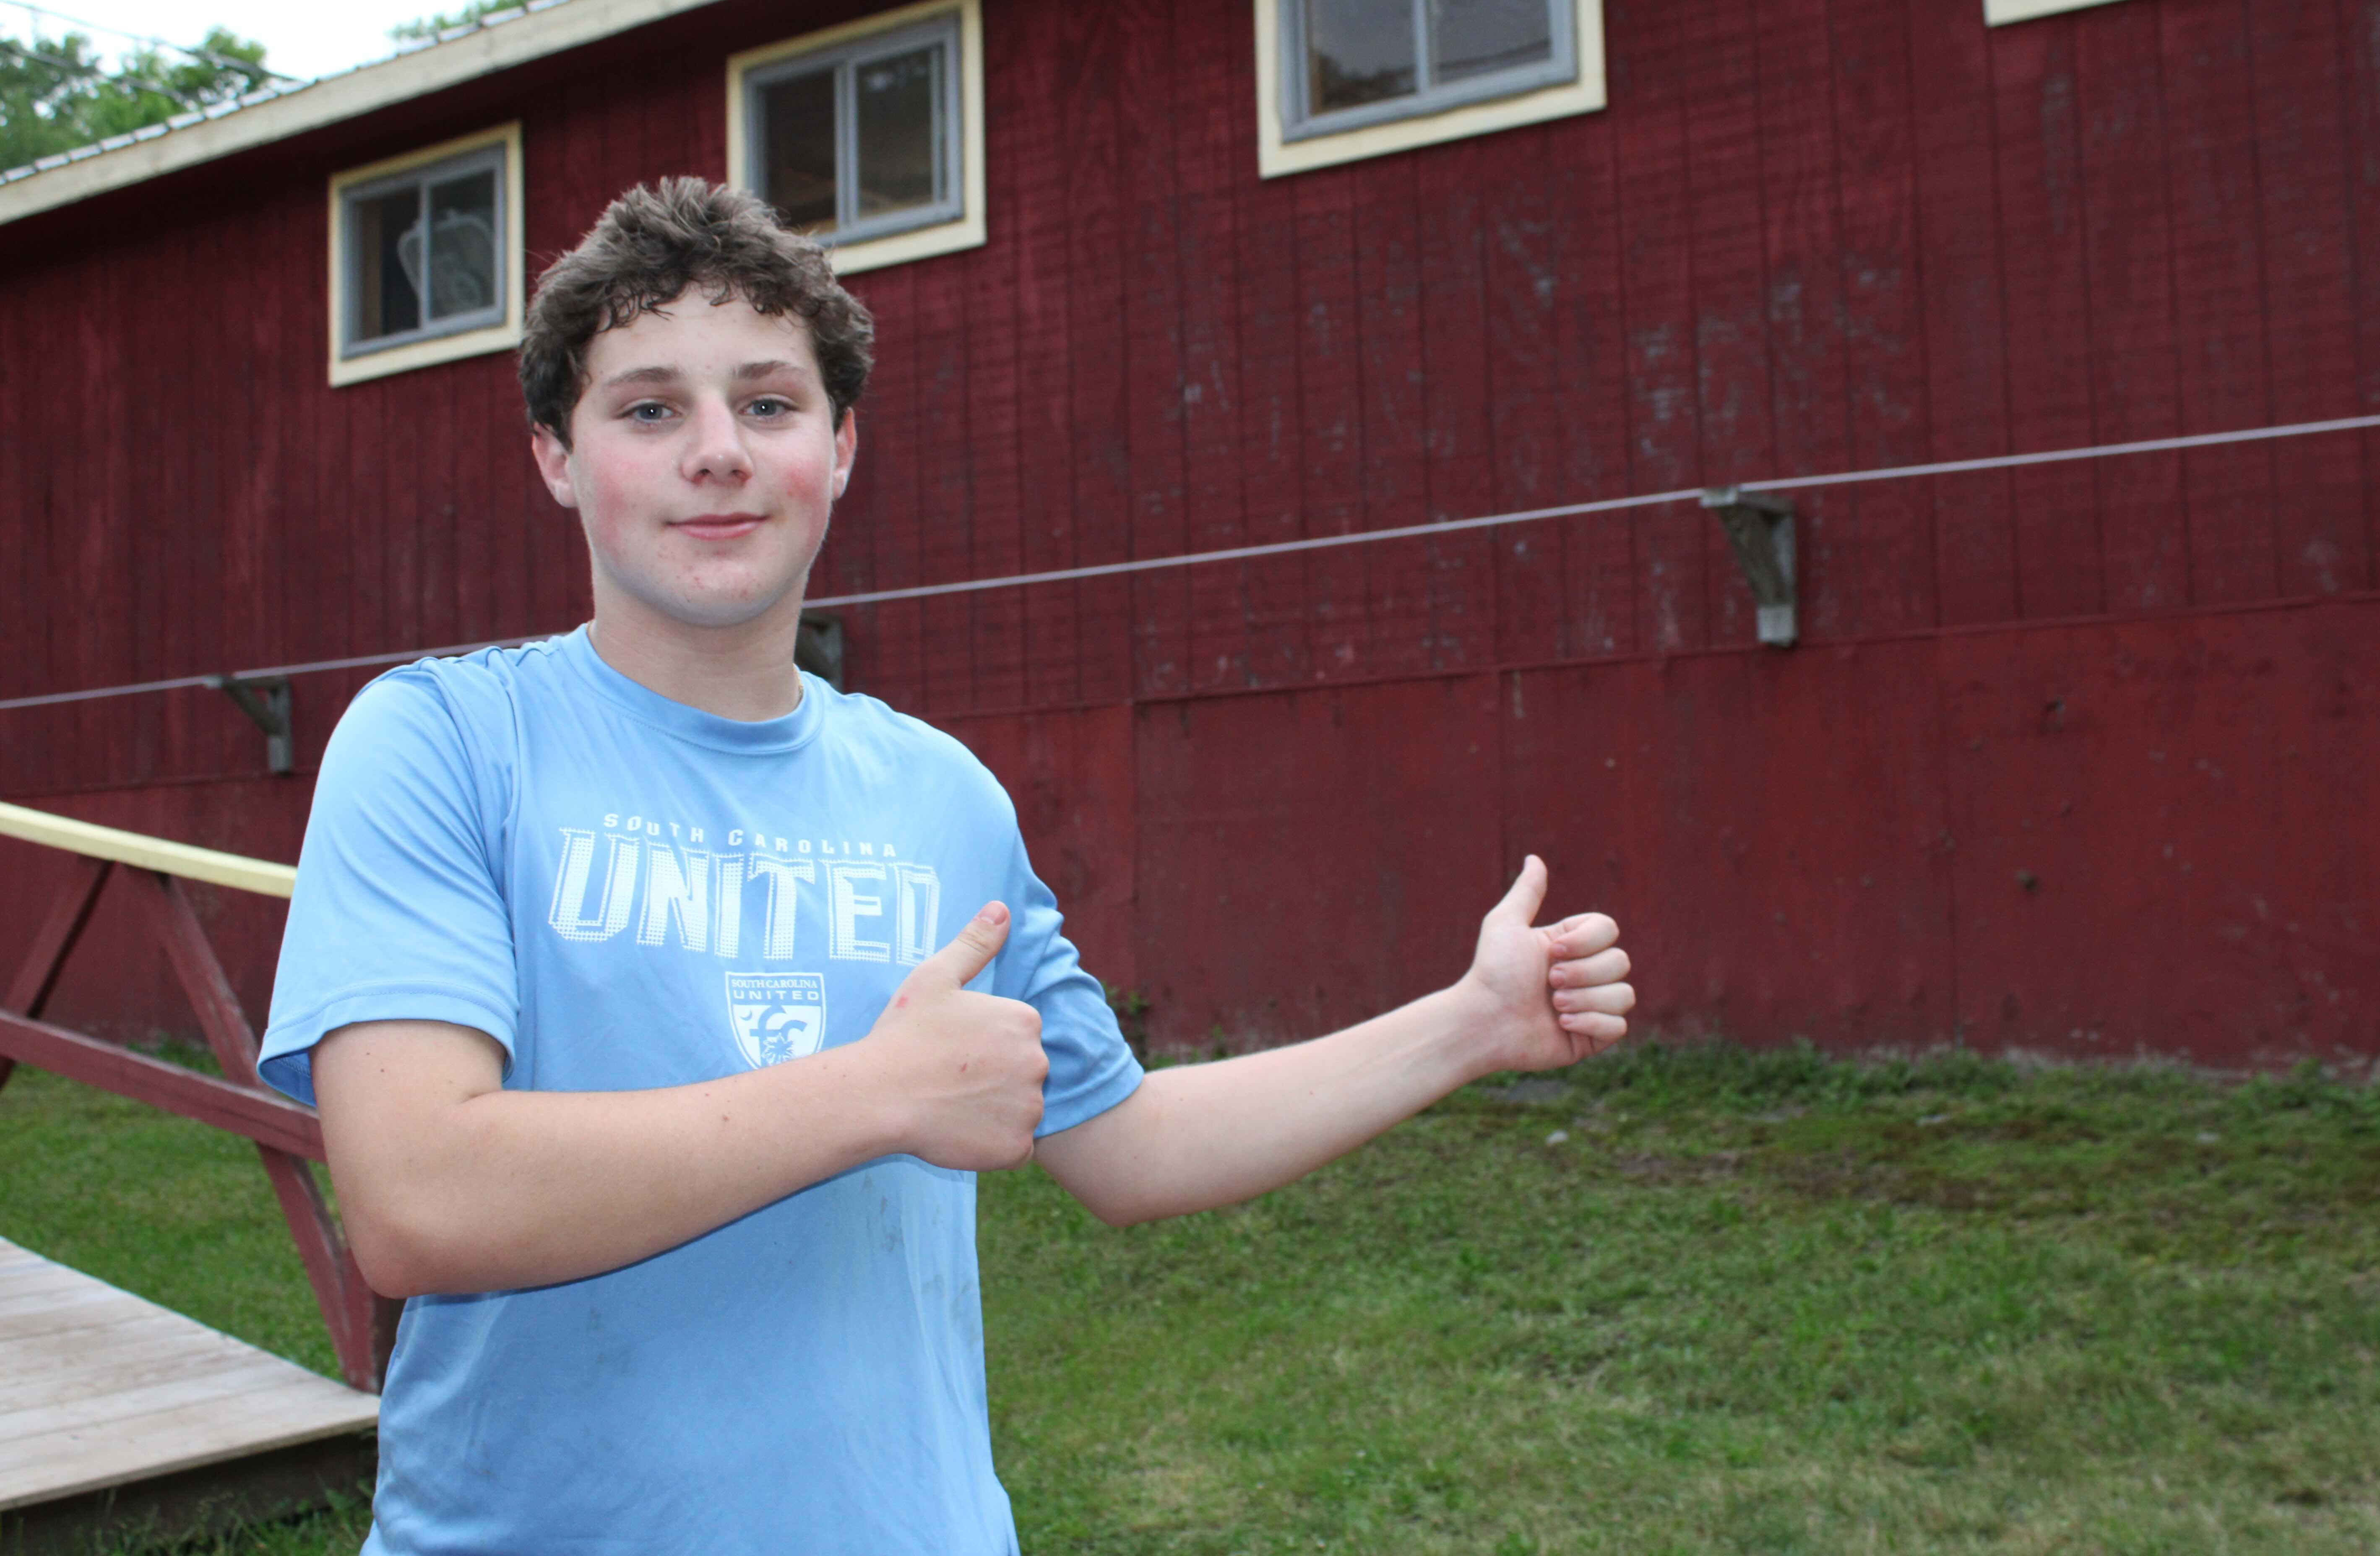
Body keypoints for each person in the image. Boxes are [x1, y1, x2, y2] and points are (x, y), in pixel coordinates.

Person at [257, 177, 1633, 1556]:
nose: (719, 452)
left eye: (770, 403)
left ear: (841, 447)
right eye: (650, 407)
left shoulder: (938, 792)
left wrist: (1471, 1024)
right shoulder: (445, 742)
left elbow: (1127, 1144)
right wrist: (876, 1092)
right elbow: (419, 1199)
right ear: (559, 454)